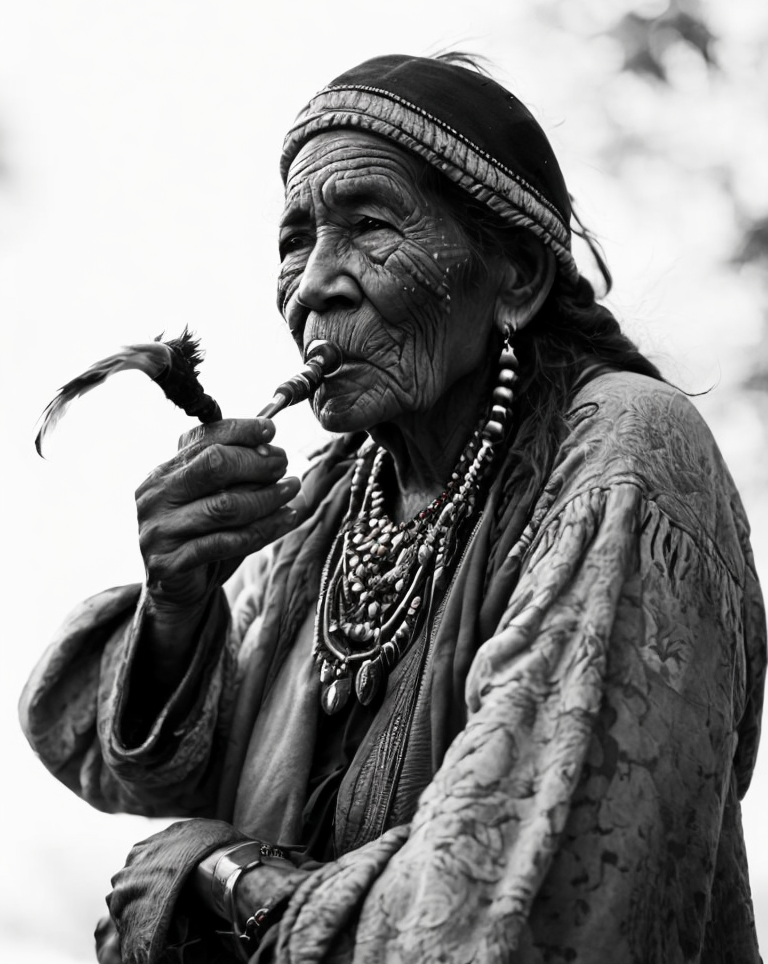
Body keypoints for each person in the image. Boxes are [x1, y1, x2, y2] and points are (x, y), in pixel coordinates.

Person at [20, 54, 766, 964]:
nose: (313, 283)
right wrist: (176, 606)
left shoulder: (624, 453)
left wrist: (221, 877)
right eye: (296, 240)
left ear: (518, 278)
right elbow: (126, 763)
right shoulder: (333, 509)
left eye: (369, 226)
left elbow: (511, 911)